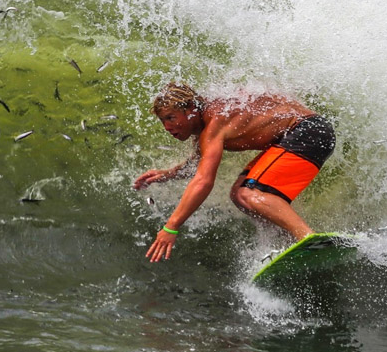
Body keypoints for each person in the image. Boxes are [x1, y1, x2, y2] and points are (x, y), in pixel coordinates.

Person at [133, 83, 336, 262]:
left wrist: (171, 226)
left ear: (190, 111)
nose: (167, 126)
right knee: (239, 194)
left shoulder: (214, 123)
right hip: (301, 134)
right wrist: (168, 174)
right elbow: (198, 163)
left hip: (307, 131)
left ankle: (309, 240)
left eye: (171, 118)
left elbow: (203, 181)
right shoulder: (209, 125)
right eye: (162, 121)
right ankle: (294, 243)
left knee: (251, 194)